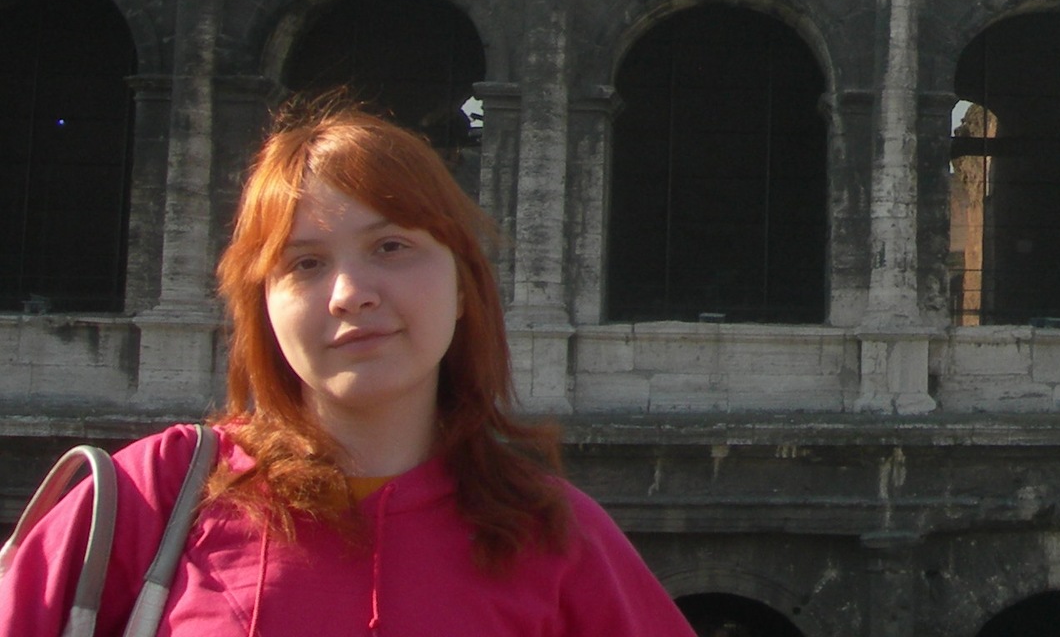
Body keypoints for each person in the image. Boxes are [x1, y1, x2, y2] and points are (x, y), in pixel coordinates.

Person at [2, 105, 698, 635]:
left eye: (391, 247)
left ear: (464, 288)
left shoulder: (557, 536)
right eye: (305, 263)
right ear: (262, 309)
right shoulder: (150, 497)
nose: (350, 293)